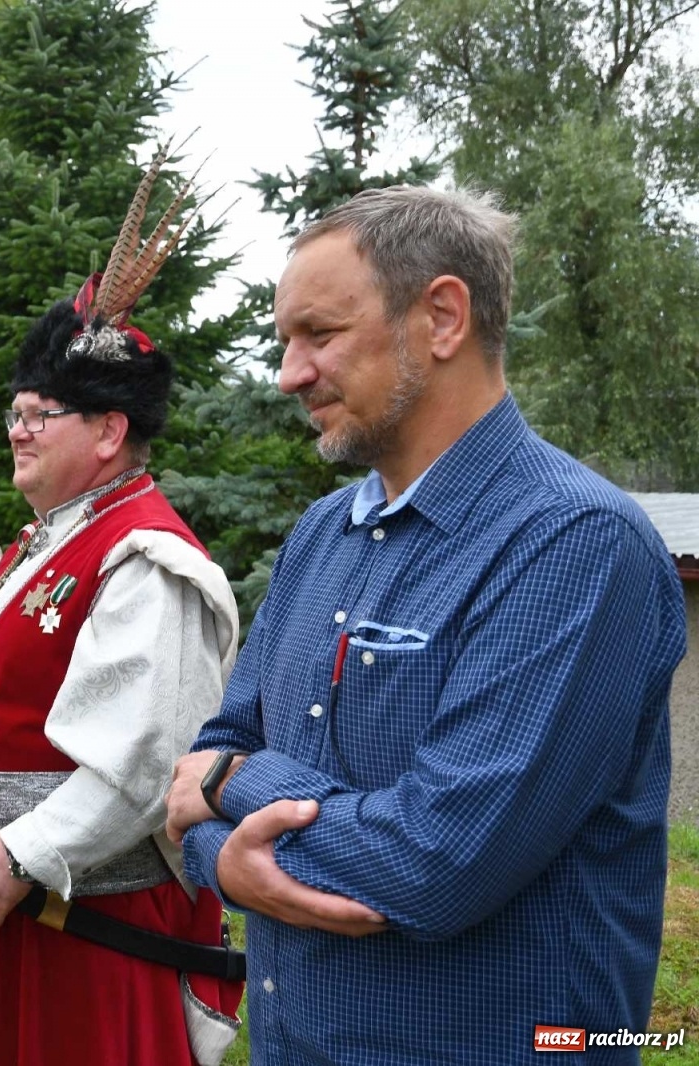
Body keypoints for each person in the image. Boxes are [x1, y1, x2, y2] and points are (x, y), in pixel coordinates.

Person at [163, 186, 687, 1066]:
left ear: (442, 316)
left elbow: (436, 861)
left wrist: (229, 787)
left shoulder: (572, 543)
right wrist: (221, 856)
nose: (289, 373)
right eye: (284, 341)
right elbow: (214, 750)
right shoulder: (321, 535)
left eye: (319, 335)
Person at [0, 157, 244, 1066]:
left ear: (108, 431)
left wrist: (16, 857)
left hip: (77, 923)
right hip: (4, 898)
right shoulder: (45, 537)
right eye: (15, 410)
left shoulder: (147, 557)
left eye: (41, 412)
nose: (17, 427)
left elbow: (143, 765)